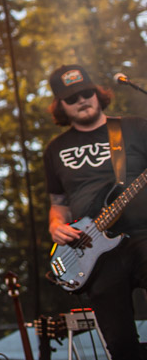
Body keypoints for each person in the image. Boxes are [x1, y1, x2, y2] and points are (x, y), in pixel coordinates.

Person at [43, 64, 147, 359]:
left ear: (98, 93)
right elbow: (58, 204)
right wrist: (55, 227)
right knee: (120, 343)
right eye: (72, 98)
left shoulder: (135, 127)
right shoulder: (55, 149)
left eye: (86, 92)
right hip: (92, 249)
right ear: (60, 105)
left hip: (143, 232)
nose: (82, 100)